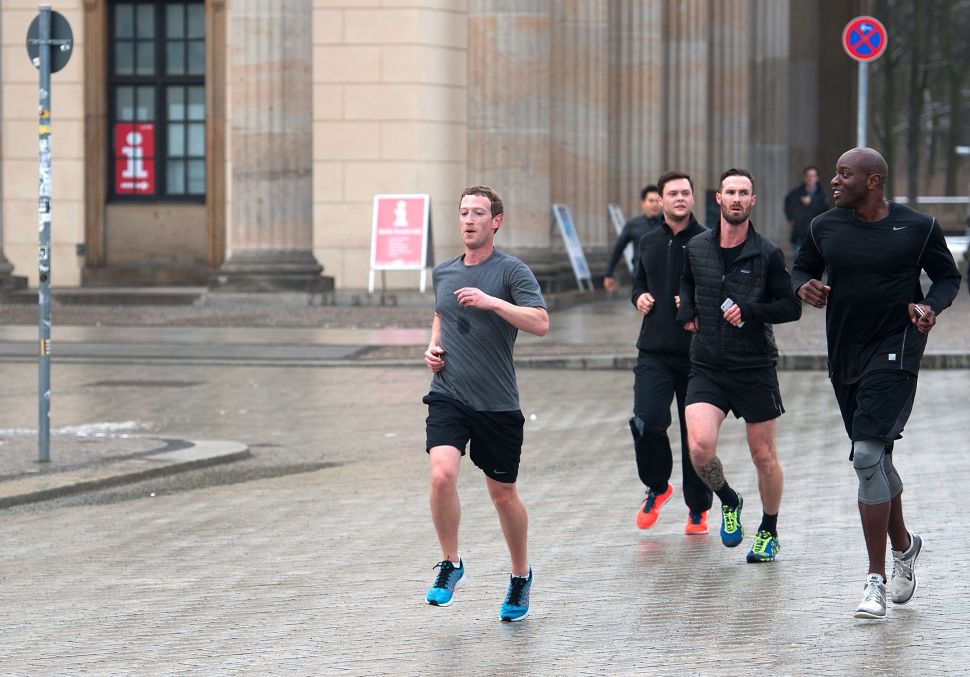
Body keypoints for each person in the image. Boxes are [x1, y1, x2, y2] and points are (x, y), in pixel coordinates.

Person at [791, 147, 960, 619]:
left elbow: (947, 279)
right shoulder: (824, 226)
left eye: (845, 174)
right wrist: (801, 286)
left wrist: (930, 308)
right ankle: (905, 545)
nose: (835, 180)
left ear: (874, 181)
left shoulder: (918, 226)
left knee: (866, 456)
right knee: (878, 457)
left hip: (898, 346)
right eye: (835, 171)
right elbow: (801, 268)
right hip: (845, 351)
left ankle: (875, 580)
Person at [421, 185, 549, 622]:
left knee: (503, 495)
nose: (469, 220)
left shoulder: (512, 271)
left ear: (496, 221)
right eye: (464, 213)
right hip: (448, 394)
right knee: (441, 476)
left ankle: (519, 575)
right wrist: (433, 347)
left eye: (478, 213)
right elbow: (441, 313)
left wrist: (492, 302)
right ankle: (451, 564)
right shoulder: (444, 272)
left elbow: (541, 322)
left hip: (496, 402)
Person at [677, 168, 801, 563]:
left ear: (753, 201)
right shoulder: (697, 247)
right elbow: (687, 283)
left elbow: (791, 307)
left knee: (763, 455)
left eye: (743, 193)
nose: (736, 198)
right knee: (698, 448)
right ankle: (729, 499)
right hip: (707, 364)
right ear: (718, 199)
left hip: (753, 367)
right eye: (729, 192)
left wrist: (750, 310)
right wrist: (688, 311)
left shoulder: (767, 253)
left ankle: (769, 529)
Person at [628, 171, 713, 534]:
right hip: (654, 352)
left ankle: (698, 508)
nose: (680, 198)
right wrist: (639, 297)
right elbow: (638, 282)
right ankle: (658, 486)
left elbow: (721, 288)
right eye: (673, 193)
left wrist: (697, 301)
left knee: (696, 439)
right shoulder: (648, 241)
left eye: (685, 192)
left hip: (698, 355)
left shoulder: (709, 240)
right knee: (646, 421)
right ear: (660, 200)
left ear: (692, 198)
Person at [603, 185, 663, 293]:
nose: (655, 204)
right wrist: (608, 273)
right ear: (643, 203)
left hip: (664, 277)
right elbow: (618, 249)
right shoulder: (633, 225)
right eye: (651, 201)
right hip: (640, 277)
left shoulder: (668, 224)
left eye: (658, 201)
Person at [784, 166, 830, 256]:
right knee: (799, 262)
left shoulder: (823, 195)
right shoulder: (796, 193)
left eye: (812, 176)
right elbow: (788, 204)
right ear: (804, 177)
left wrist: (811, 202)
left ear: (817, 178)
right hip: (799, 234)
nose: (810, 178)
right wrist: (791, 218)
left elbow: (825, 210)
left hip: (816, 235)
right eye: (808, 176)